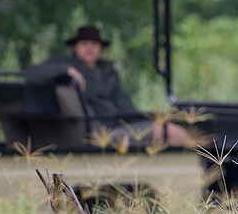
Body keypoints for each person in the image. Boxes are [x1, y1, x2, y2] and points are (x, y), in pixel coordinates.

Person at [25, 25, 191, 146]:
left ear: (101, 49)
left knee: (180, 128)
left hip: (121, 123)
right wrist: (66, 70)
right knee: (172, 132)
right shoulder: (66, 66)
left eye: (94, 44)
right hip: (100, 130)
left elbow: (124, 106)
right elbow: (32, 74)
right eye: (84, 44)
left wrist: (149, 118)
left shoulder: (108, 71)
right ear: (75, 48)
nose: (90, 48)